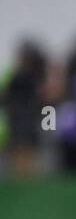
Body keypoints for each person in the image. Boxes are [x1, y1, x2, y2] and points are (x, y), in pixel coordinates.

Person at [0, 40, 49, 178]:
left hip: (25, 130)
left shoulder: (36, 79)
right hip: (18, 130)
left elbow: (47, 107)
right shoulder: (18, 79)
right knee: (21, 167)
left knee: (26, 167)